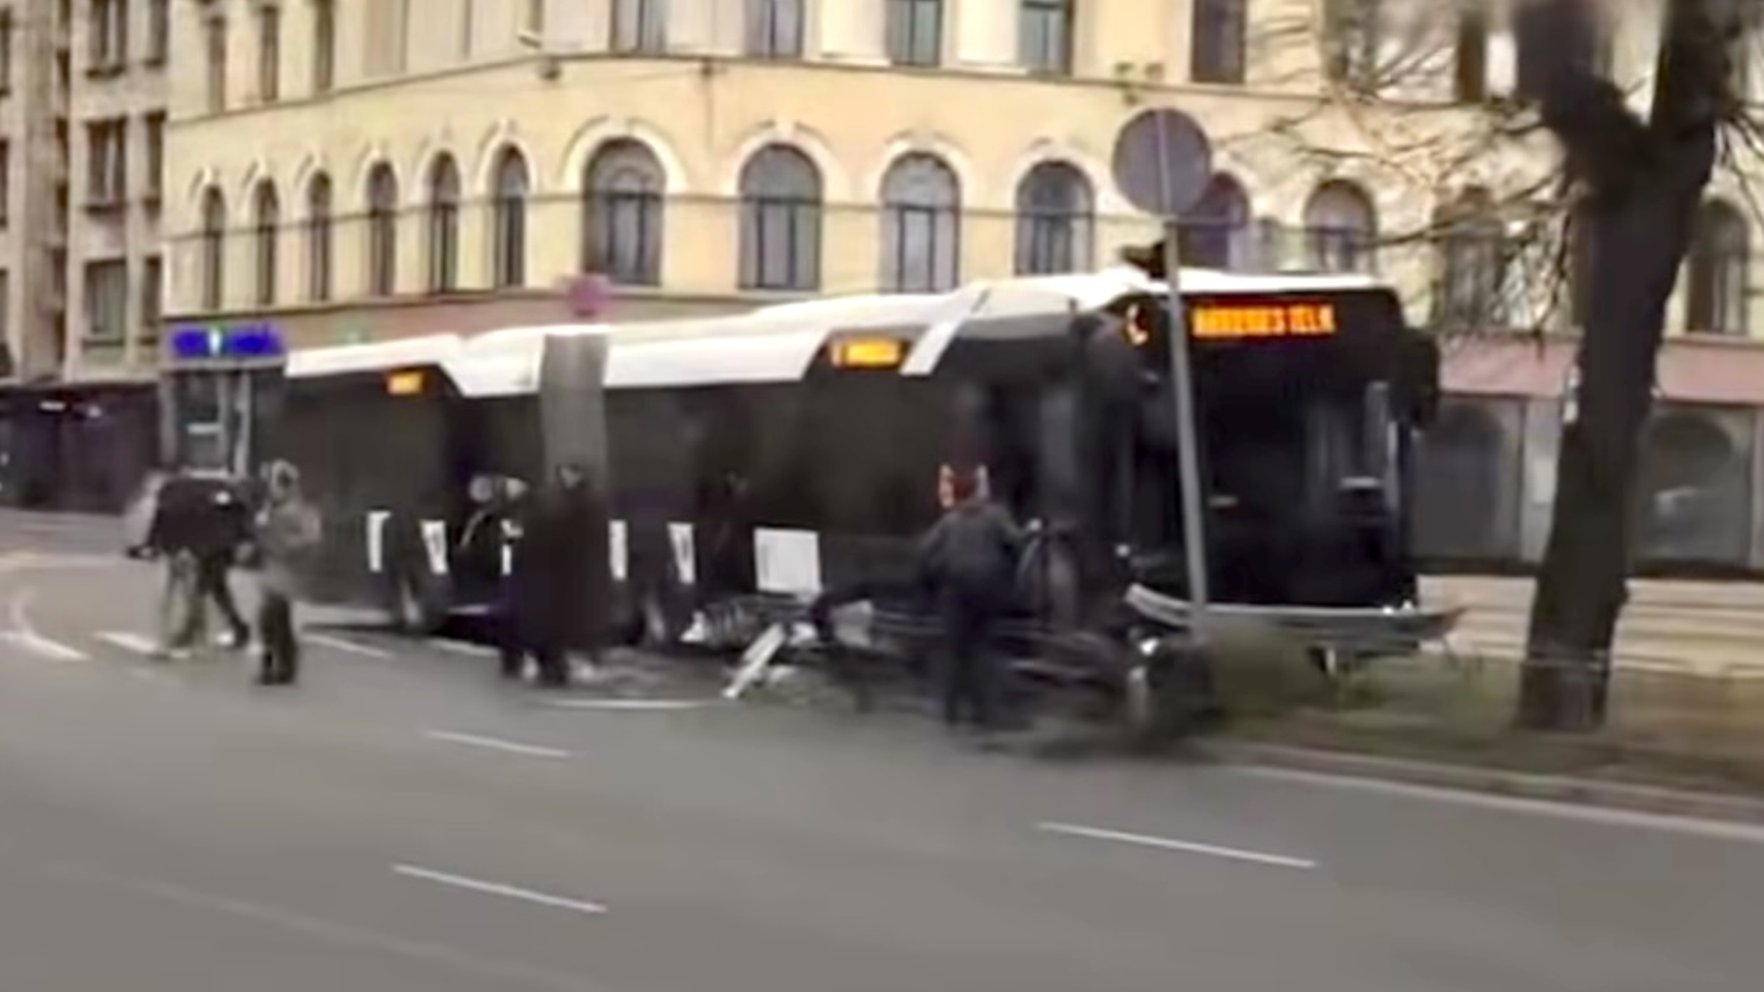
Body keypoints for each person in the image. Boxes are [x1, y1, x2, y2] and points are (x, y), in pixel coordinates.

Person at [918, 465, 1025, 733]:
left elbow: (925, 550)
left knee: (954, 650)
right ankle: (985, 711)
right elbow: (1016, 542)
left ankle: (950, 710)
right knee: (983, 648)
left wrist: (936, 575)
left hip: (955, 591)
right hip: (988, 590)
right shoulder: (995, 516)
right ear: (978, 491)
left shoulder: (950, 521)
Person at [510, 462, 604, 688]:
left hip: (550, 575)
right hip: (560, 573)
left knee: (545, 622)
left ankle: (551, 667)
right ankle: (558, 666)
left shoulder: (550, 507)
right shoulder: (568, 503)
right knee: (556, 623)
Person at [252, 461, 321, 686]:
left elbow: (311, 538)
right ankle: (275, 664)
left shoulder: (299, 510)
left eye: (275, 485)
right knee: (271, 620)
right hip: (272, 570)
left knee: (275, 619)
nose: (271, 490)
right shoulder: (270, 510)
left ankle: (281, 666)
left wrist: (286, 546)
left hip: (289, 572)